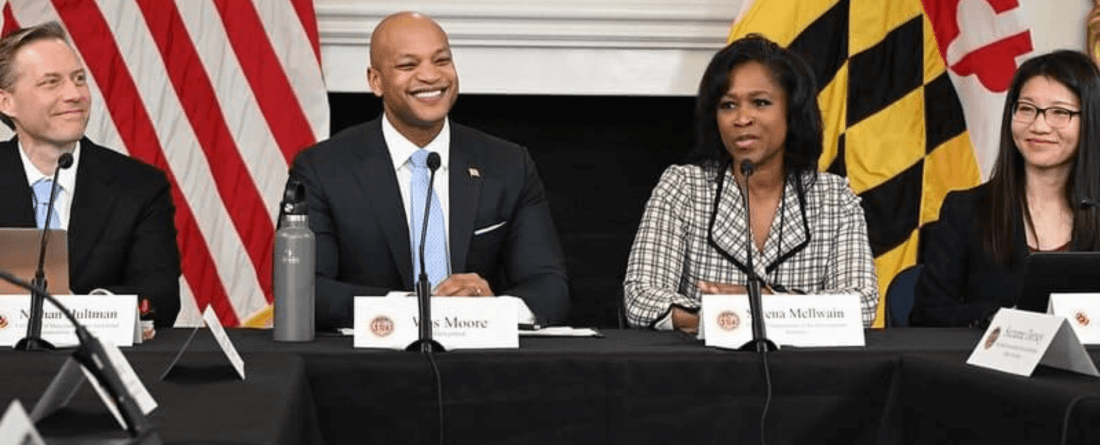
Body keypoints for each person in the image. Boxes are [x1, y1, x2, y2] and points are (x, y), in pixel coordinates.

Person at [288, 12, 569, 330]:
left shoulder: (507, 164)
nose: (431, 76)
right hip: (370, 364)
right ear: (376, 81)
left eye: (441, 60)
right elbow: (306, 290)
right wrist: (417, 309)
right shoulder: (322, 169)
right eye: (408, 65)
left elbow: (549, 286)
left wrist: (493, 309)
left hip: (482, 364)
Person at [623, 34, 878, 333]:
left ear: (792, 112)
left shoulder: (834, 197)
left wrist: (762, 304)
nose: (742, 118)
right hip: (704, 371)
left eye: (760, 102)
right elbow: (640, 298)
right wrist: (729, 318)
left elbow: (862, 304)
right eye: (728, 105)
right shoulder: (683, 187)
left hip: (805, 372)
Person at [0, 22, 181, 328]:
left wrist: (85, 310)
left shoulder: (139, 186)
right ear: (6, 102)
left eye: (79, 79)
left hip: (95, 368)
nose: (75, 94)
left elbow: (160, 299)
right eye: (51, 82)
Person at [911, 50, 1100, 327]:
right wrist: (1001, 318)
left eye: (1060, 112)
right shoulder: (965, 210)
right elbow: (926, 315)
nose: (1039, 125)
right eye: (1026, 108)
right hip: (992, 365)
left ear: (1091, 121)